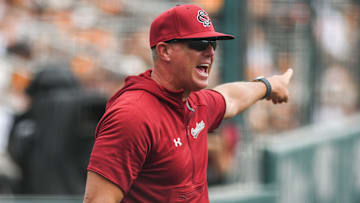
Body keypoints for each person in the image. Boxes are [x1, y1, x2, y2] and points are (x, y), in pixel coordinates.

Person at [83, 4, 293, 203]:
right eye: (199, 44)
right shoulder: (133, 115)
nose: (210, 52)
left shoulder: (192, 101)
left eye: (213, 44)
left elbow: (230, 97)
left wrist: (268, 85)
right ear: (164, 51)